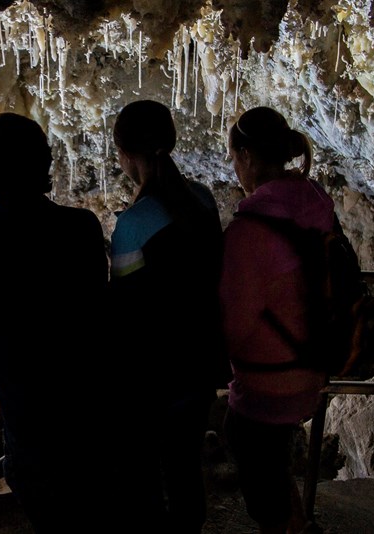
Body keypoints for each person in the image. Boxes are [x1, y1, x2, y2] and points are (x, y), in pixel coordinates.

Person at [0, 112, 113, 533]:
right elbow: (94, 302)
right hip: (93, 420)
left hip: (31, 434)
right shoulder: (80, 228)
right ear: (45, 163)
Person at [109, 99, 226, 533]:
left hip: (152, 376)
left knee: (143, 478)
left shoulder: (134, 225)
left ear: (123, 153)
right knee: (184, 470)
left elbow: (124, 309)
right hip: (199, 364)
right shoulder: (203, 199)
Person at [220, 106, 333, 534]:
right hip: (315, 365)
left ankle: (286, 526)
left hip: (270, 381)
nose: (234, 167)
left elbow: (236, 324)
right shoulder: (314, 201)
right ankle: (298, 521)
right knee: (274, 457)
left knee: (247, 444)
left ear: (247, 156)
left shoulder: (249, 230)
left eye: (233, 158)